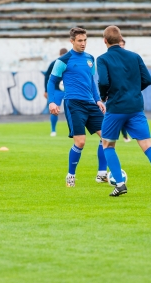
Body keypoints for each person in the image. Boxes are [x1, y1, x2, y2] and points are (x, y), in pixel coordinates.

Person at [98, 26, 151, 197]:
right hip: (135, 107)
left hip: (116, 108)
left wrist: (103, 96)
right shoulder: (135, 56)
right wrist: (134, 90)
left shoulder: (102, 59)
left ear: (105, 41)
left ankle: (120, 184)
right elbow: (147, 79)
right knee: (148, 145)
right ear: (121, 39)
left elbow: (103, 81)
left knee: (107, 145)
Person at [47, 27, 107, 187]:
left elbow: (92, 81)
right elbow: (51, 81)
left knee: (107, 137)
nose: (83, 43)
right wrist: (52, 101)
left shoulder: (90, 58)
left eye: (85, 40)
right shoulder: (63, 60)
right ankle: (70, 175)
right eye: (80, 40)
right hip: (74, 104)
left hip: (90, 103)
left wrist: (98, 100)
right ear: (72, 41)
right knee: (80, 142)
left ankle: (102, 174)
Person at [44, 48, 68, 136]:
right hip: (57, 90)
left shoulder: (70, 63)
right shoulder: (55, 63)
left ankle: (73, 130)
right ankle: (53, 130)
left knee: (72, 109)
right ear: (60, 55)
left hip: (68, 91)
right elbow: (47, 74)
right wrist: (46, 90)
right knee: (55, 109)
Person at [118, 38, 132, 143]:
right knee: (120, 114)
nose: (121, 46)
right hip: (117, 91)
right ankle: (125, 136)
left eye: (123, 44)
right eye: (120, 44)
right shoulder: (112, 58)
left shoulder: (129, 58)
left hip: (127, 91)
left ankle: (125, 135)